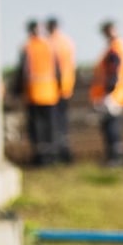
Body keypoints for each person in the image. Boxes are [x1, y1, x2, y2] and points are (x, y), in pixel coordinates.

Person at [15, 20, 60, 166]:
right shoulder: (50, 45)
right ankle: (51, 156)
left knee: (37, 126)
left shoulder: (27, 47)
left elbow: (21, 72)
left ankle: (41, 157)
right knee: (50, 126)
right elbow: (57, 70)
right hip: (50, 92)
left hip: (34, 93)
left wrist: (17, 90)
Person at [89, 20, 123, 167]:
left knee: (112, 127)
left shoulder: (115, 48)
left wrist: (108, 91)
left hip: (112, 94)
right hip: (115, 93)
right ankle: (115, 157)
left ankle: (115, 158)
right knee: (111, 126)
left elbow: (114, 70)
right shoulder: (118, 46)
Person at [46, 18, 77, 164]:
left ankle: (57, 153)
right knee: (62, 122)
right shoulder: (67, 42)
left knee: (54, 122)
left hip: (52, 89)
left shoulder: (49, 43)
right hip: (66, 87)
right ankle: (65, 151)